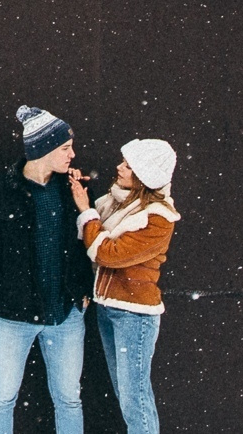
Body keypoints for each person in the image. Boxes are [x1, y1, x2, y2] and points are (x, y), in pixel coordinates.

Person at [0, 104, 94, 434]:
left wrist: (82, 287)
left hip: (65, 313)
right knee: (3, 398)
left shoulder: (71, 190)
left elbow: (88, 241)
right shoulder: (0, 191)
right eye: (65, 148)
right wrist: (1, 285)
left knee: (69, 400)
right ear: (43, 149)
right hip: (11, 316)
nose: (72, 155)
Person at [66, 137, 179, 434]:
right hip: (109, 308)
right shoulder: (122, 203)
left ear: (143, 175)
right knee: (126, 393)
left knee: (135, 399)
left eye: (127, 165)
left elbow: (107, 253)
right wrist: (79, 192)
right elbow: (93, 231)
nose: (119, 167)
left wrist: (84, 209)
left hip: (135, 315)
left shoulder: (158, 218)